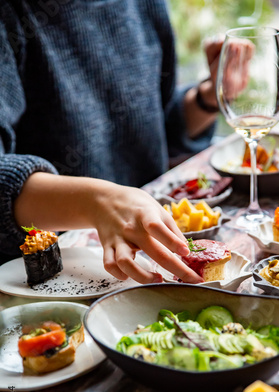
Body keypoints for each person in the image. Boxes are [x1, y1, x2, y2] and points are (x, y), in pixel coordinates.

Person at [0, 1, 248, 284]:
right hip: (51, 279)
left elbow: (156, 126)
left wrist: (209, 96)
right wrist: (96, 202)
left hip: (146, 255)